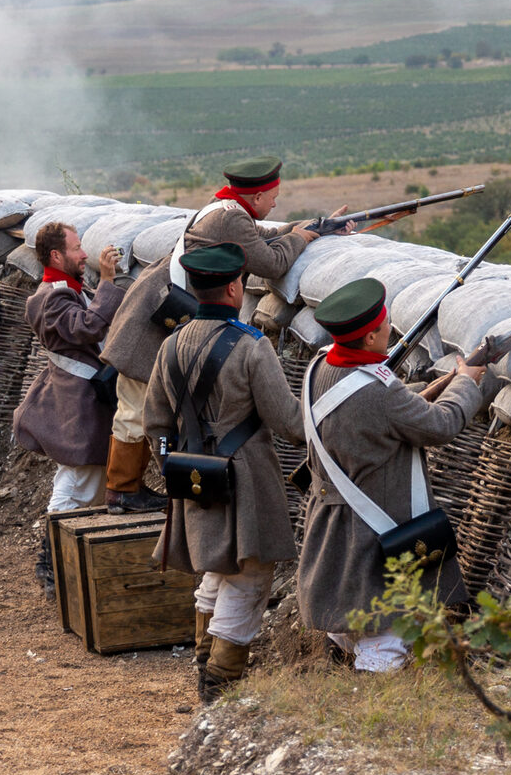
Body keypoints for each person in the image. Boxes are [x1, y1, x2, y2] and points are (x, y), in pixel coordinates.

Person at [101, 156, 346, 513]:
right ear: (258, 195)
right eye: (272, 196)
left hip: (158, 312)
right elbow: (272, 262)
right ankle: (121, 490)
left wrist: (315, 228)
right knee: (135, 408)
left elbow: (264, 239)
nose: (275, 203)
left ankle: (127, 488)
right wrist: (300, 239)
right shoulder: (230, 217)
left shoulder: (225, 210)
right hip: (152, 324)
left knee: (139, 408)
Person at [296, 278, 484, 672]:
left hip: (335, 522)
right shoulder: (378, 393)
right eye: (383, 328)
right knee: (387, 633)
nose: (389, 332)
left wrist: (428, 388)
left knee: (355, 617)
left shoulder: (319, 367)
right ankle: (367, 716)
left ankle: (340, 688)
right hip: (374, 531)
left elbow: (380, 406)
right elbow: (441, 426)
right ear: (367, 339)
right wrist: (466, 383)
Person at [145, 243, 305, 703]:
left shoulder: (170, 345)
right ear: (235, 287)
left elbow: (154, 426)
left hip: (192, 476)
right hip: (248, 480)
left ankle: (205, 671)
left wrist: (178, 468)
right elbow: (289, 424)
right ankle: (218, 686)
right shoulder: (253, 346)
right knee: (249, 577)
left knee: (216, 573)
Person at [12, 222, 125, 585]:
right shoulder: (51, 298)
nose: (84, 255)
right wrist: (107, 282)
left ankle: (59, 563)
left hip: (82, 399)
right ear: (57, 255)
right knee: (77, 484)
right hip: (76, 404)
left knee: (84, 483)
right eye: (77, 248)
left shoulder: (66, 290)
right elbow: (88, 328)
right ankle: (50, 562)